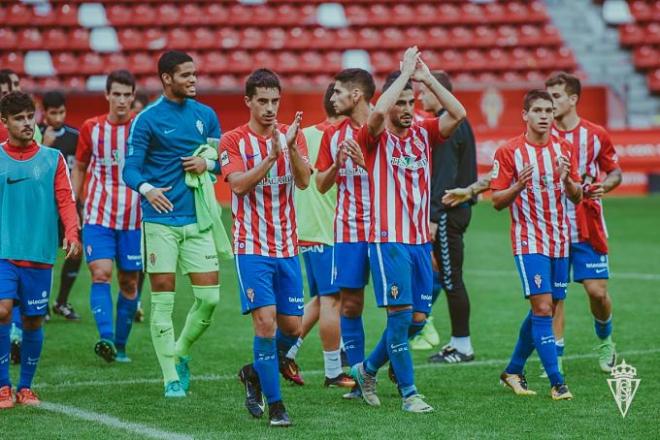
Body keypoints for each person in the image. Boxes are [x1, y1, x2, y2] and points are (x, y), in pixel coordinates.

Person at [351, 47, 466, 412]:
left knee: (417, 320)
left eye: (410, 101)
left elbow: (459, 113)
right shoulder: (373, 136)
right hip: (389, 242)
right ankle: (409, 394)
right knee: (400, 319)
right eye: (399, 102)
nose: (405, 108)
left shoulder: (424, 131)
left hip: (419, 241)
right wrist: (402, 75)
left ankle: (367, 369)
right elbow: (377, 114)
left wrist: (425, 78)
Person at [123, 51, 223, 398]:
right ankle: (170, 377)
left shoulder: (206, 116)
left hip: (198, 219)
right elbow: (130, 169)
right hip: (160, 221)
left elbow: (221, 161)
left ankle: (179, 352)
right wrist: (148, 190)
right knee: (163, 300)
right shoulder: (147, 120)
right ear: (167, 78)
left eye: (194, 74)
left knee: (210, 298)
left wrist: (206, 165)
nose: (193, 80)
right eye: (186, 75)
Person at [221, 69, 310, 427]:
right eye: (263, 101)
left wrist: (289, 148)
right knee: (266, 324)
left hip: (287, 245)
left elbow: (304, 182)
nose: (271, 108)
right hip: (251, 246)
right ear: (248, 102)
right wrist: (271, 159)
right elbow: (238, 186)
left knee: (293, 327)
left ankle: (254, 373)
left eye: (275, 101)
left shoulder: (292, 135)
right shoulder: (231, 141)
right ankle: (277, 406)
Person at [492, 89, 581, 401]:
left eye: (548, 110)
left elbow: (577, 195)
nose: (544, 116)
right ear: (525, 115)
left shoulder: (564, 149)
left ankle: (513, 370)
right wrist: (518, 185)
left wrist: (568, 179)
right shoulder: (508, 152)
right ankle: (558, 383)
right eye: (538, 110)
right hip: (529, 239)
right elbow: (496, 201)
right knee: (543, 308)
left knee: (548, 306)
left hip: (559, 239)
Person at [0, 91, 81, 408]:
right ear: (4, 122)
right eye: (18, 118)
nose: (26, 124)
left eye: (29, 117)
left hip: (39, 253)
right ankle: (3, 386)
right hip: (4, 252)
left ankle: (26, 387)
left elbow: (66, 199)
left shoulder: (52, 159)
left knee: (33, 321)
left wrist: (72, 232)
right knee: (3, 310)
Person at [546, 72, 622, 373]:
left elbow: (614, 170)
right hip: (552, 227)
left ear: (573, 99)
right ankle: (557, 359)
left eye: (556, 97)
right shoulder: (544, 136)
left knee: (597, 292)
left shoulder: (595, 134)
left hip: (587, 225)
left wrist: (609, 184)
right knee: (555, 296)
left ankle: (605, 341)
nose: (550, 104)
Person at [286, 82, 354, 388]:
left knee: (321, 297)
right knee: (333, 300)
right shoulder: (342, 138)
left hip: (307, 225)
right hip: (328, 228)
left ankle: (284, 351)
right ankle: (332, 371)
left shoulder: (306, 133)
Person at [71, 71, 142, 363]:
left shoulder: (141, 127)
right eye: (117, 94)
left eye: (127, 95)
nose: (122, 100)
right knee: (100, 274)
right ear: (107, 95)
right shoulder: (91, 128)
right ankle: (106, 338)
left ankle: (121, 346)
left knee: (129, 283)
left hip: (134, 218)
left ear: (133, 97)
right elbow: (80, 166)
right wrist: (74, 203)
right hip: (98, 215)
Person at [314, 68, 375, 399]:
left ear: (356, 95)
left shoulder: (382, 129)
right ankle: (360, 375)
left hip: (387, 230)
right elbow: (321, 185)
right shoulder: (332, 136)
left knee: (412, 313)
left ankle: (378, 363)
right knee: (350, 306)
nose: (331, 98)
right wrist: (337, 164)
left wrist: (364, 161)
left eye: (337, 92)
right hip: (349, 231)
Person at [415, 71, 478, 362]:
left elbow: (443, 174)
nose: (419, 97)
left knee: (451, 280)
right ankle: (455, 340)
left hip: (448, 213)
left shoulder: (448, 125)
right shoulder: (460, 123)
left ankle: (462, 345)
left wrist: (434, 215)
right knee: (449, 277)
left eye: (424, 92)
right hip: (458, 210)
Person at [40, 90, 82, 321]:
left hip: (70, 205)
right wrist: (44, 146)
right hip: (44, 208)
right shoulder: (36, 135)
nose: (58, 117)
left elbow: (81, 169)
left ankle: (62, 302)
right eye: (53, 113)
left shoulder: (75, 136)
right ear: (44, 113)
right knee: (45, 255)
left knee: (75, 252)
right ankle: (41, 303)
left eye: (62, 112)